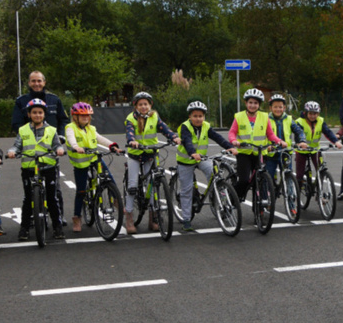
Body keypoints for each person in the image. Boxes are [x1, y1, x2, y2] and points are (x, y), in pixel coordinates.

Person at [11, 70, 70, 226]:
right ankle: (31, 217)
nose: (36, 84)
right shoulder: (21, 101)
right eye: (33, 81)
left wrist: (61, 137)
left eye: (39, 81)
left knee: (55, 188)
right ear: (29, 83)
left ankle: (59, 217)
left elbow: (63, 120)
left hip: (50, 151)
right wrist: (23, 140)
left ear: (44, 82)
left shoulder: (54, 99)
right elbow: (16, 124)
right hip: (30, 153)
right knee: (30, 190)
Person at [7, 99, 66, 241]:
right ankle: (24, 228)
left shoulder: (52, 130)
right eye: (34, 112)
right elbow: (17, 145)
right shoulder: (23, 130)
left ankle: (57, 227)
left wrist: (59, 149)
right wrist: (12, 151)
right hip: (29, 167)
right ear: (29, 114)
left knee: (52, 197)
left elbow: (57, 144)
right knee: (28, 198)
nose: (37, 115)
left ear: (44, 114)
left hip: (48, 166)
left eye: (40, 112)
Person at [175, 101, 238, 231]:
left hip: (201, 158)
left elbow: (217, 137)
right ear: (189, 117)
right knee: (186, 190)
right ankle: (186, 219)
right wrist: (192, 153)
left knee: (215, 175)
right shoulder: (185, 127)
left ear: (204, 117)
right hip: (186, 160)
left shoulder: (206, 126)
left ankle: (217, 199)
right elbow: (187, 141)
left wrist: (229, 147)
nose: (198, 119)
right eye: (195, 116)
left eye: (200, 116)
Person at [125, 92, 181, 233]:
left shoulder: (154, 116)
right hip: (135, 155)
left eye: (146, 104)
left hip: (150, 154)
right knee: (132, 187)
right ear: (136, 106)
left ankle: (153, 219)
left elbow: (164, 129)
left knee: (153, 184)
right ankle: (129, 218)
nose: (144, 107)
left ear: (150, 105)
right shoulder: (131, 118)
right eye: (140, 104)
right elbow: (130, 132)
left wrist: (173, 137)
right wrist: (132, 141)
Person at [65, 102, 122, 233]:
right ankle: (77, 217)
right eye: (82, 115)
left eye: (87, 115)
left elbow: (100, 138)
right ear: (75, 117)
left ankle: (115, 200)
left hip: (93, 158)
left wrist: (112, 146)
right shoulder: (70, 127)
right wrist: (76, 147)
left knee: (109, 178)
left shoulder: (91, 128)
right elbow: (71, 138)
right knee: (81, 191)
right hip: (80, 162)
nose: (85, 118)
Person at [229, 88, 287, 203]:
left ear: (259, 104)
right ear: (246, 103)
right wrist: (234, 140)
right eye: (250, 102)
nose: (253, 105)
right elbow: (232, 132)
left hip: (260, 153)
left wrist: (279, 141)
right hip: (244, 153)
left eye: (256, 103)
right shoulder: (239, 117)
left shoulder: (264, 117)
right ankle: (233, 199)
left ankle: (258, 210)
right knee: (244, 180)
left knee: (259, 181)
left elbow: (270, 134)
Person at [294, 101, 343, 186]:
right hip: (302, 150)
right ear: (305, 113)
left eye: (315, 114)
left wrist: (336, 142)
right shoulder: (300, 121)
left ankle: (319, 193)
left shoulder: (320, 121)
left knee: (320, 169)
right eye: (310, 113)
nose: (313, 116)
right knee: (300, 173)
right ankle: (299, 189)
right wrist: (300, 143)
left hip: (315, 150)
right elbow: (298, 134)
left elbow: (328, 132)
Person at [264, 94, 307, 181]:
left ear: (284, 108)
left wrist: (302, 141)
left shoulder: (289, 119)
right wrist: (266, 146)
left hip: (285, 152)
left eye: (280, 107)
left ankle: (290, 194)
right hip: (271, 154)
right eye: (275, 107)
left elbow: (299, 131)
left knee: (288, 177)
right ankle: (269, 193)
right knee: (268, 178)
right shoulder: (265, 119)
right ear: (270, 108)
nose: (278, 109)